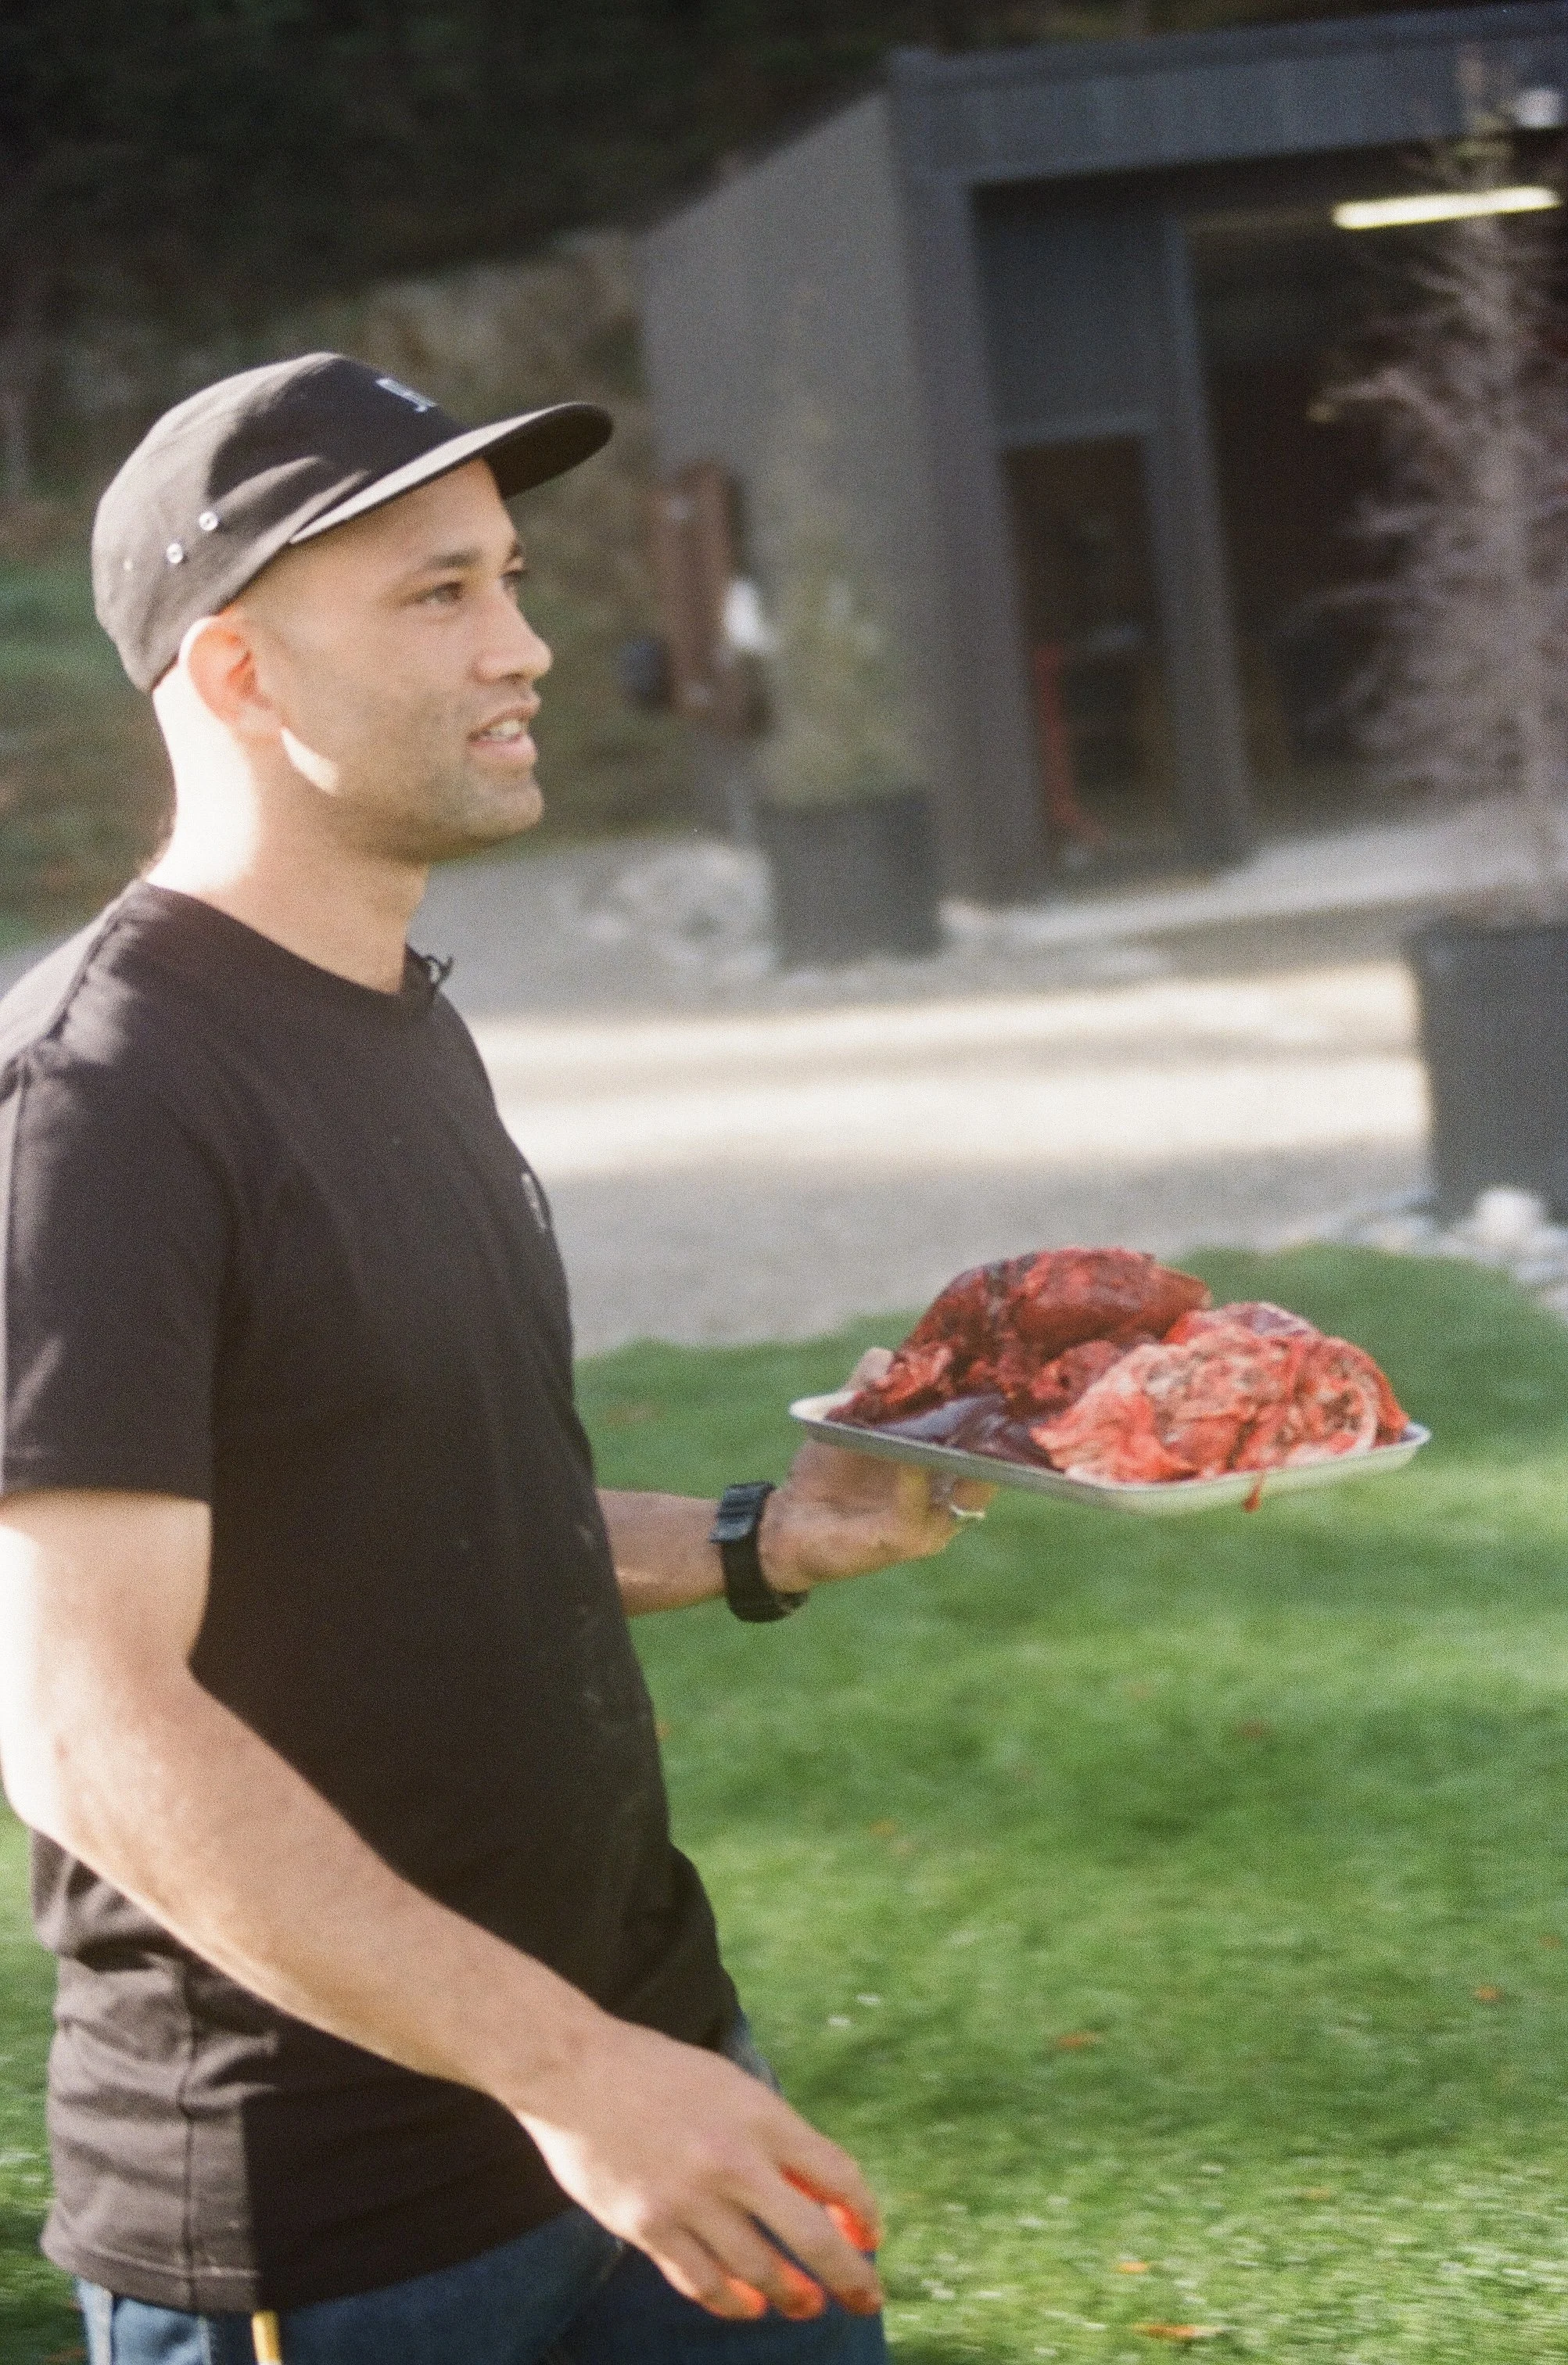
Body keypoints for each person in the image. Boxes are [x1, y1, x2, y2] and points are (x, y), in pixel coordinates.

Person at [0, 355, 990, 2365]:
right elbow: (80, 1718)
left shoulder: (392, 1011)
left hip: (659, 2085)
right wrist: (573, 2079)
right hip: (349, 2228)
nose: (524, 645)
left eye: (511, 580)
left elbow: (421, 1504)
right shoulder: (98, 1100)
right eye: (438, 594)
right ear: (241, 672)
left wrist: (762, 1539)